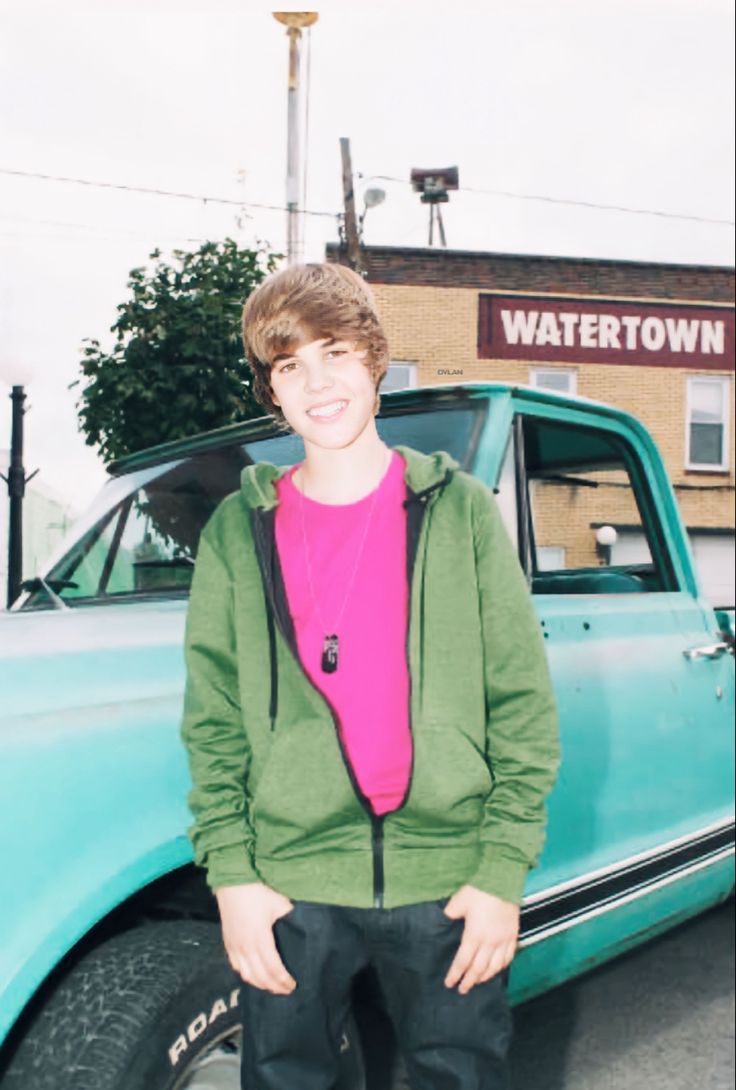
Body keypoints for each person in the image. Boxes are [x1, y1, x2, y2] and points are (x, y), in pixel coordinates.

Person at [180, 261, 560, 1090]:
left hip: (446, 874)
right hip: (289, 881)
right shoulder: (235, 534)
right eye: (289, 366)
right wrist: (233, 875)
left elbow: (523, 706)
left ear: (374, 361)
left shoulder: (457, 513)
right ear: (271, 392)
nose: (317, 382)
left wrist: (501, 871)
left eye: (335, 352)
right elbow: (210, 725)